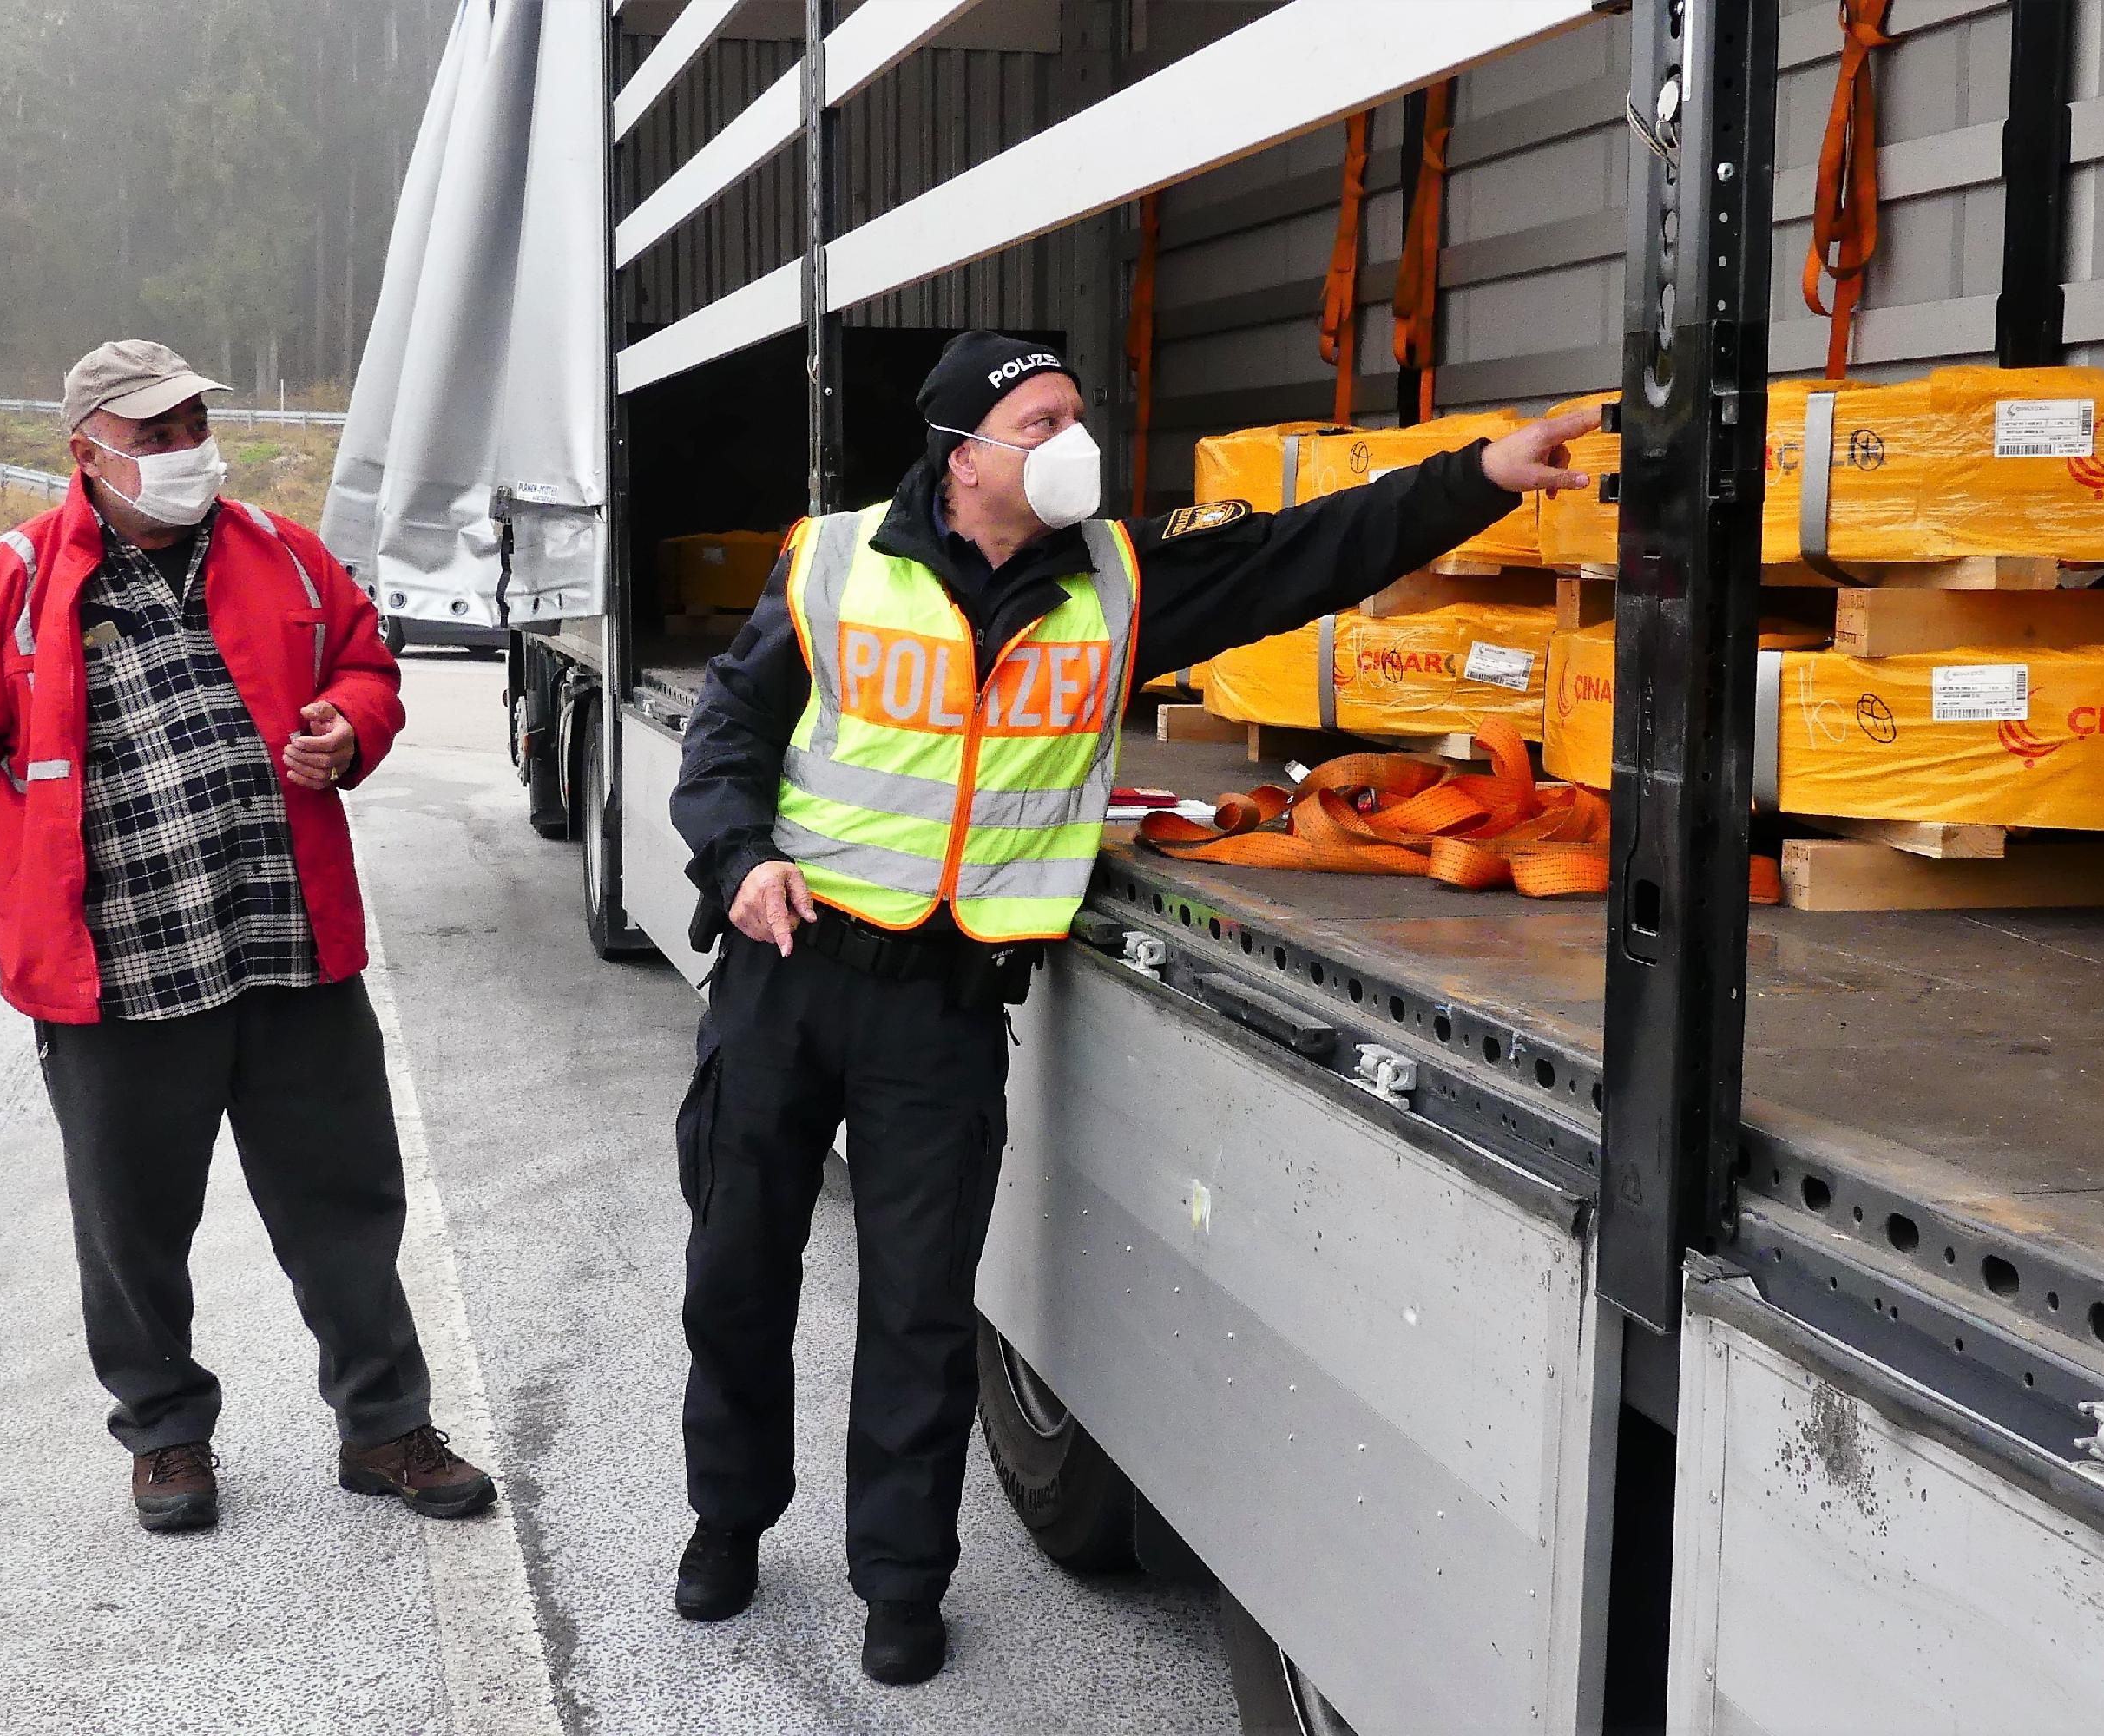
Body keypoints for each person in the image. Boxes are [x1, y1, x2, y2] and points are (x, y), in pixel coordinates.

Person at [669, 329, 1597, 1683]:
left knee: (923, 1312)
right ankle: (727, 1527)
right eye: (1043, 420)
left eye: (1077, 413)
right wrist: (739, 858)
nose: (1075, 442)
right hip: (786, 976)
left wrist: (1482, 476)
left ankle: (902, 1585)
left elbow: (1306, 551)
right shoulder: (834, 563)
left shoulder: (1115, 579)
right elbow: (729, 736)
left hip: (940, 1003)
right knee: (737, 1275)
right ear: (966, 454)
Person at [0, 339, 496, 1533]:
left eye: (193, 426)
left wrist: (348, 731)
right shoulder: (9, 583)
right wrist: (43, 859)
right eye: (156, 436)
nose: (186, 452)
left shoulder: (283, 552)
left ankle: (384, 1428)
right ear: (89, 452)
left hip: (288, 944)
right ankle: (166, 1437)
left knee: (347, 1203)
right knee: (133, 1225)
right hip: (118, 971)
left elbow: (369, 663)